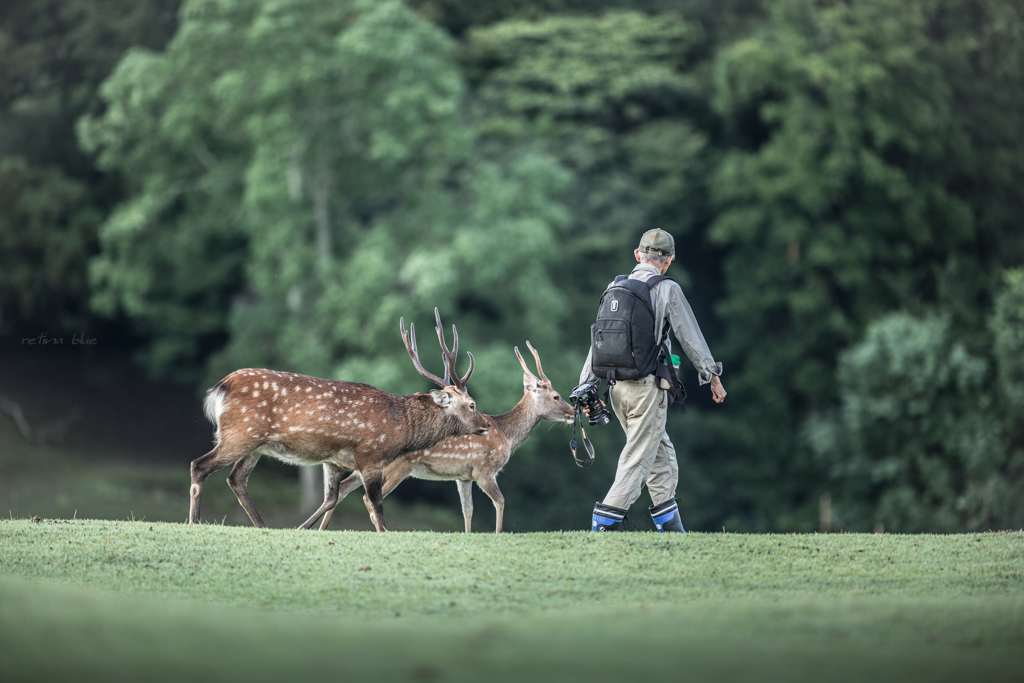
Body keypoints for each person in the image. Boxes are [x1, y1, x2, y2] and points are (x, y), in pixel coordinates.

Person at [580, 229, 726, 532]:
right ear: (668, 260)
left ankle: (672, 532)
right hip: (647, 389)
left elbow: (600, 341)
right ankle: (602, 525)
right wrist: (711, 375)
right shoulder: (667, 288)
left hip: (616, 390)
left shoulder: (615, 286)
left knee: (660, 456)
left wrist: (585, 386)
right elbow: (690, 336)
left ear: (637, 255)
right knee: (638, 460)